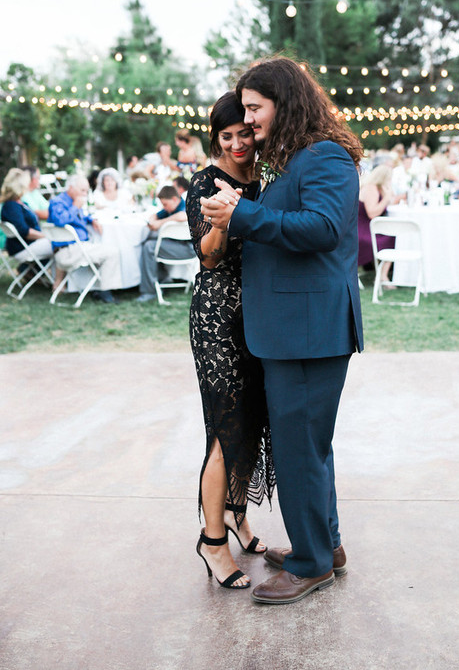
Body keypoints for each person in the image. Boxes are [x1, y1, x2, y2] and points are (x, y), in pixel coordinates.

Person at [201, 57, 364, 605]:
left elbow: (320, 228)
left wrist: (239, 217)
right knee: (310, 448)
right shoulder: (297, 159)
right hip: (293, 330)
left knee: (299, 451)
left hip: (307, 332)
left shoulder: (326, 158)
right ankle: (327, 546)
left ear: (284, 102)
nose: (248, 121)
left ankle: (312, 562)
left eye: (255, 108)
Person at [187, 92, 274, 590]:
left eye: (245, 132)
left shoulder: (265, 180)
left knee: (254, 420)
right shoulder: (205, 182)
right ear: (216, 138)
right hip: (218, 317)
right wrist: (223, 218)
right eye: (228, 136)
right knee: (225, 428)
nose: (239, 143)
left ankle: (239, 518)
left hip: (261, 313)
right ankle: (212, 541)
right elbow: (209, 258)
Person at [48, 174, 121, 303]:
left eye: (87, 191)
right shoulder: (58, 202)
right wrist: (75, 206)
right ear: (71, 188)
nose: (85, 193)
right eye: (82, 190)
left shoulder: (74, 201)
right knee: (112, 252)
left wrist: (91, 220)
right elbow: (60, 221)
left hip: (77, 247)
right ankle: (105, 292)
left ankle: (97, 288)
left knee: (105, 247)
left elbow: (80, 217)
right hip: (68, 251)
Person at [136, 184, 195, 303]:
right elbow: (155, 215)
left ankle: (149, 291)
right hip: (177, 246)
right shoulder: (171, 208)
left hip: (188, 249)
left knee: (149, 247)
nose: (164, 207)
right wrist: (153, 221)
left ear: (174, 199)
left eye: (165, 204)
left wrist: (161, 223)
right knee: (150, 242)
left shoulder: (184, 206)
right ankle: (163, 278)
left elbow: (183, 216)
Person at [1, 168, 53, 262]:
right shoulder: (11, 206)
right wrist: (46, 236)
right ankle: (58, 277)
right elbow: (25, 231)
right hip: (23, 248)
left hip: (30, 244)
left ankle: (33, 272)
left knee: (61, 243)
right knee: (60, 243)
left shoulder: (19, 203)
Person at [357, 164, 395, 285]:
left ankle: (383, 273)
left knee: (393, 234)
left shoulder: (378, 188)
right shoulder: (371, 188)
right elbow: (372, 213)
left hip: (369, 227)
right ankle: (383, 276)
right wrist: (386, 198)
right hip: (362, 229)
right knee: (392, 238)